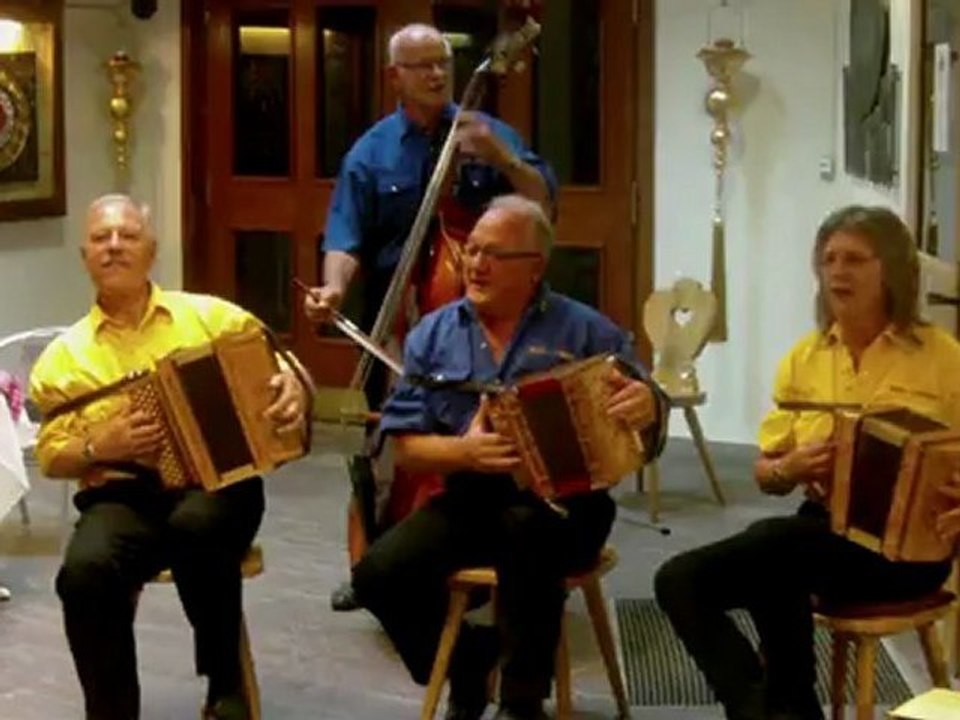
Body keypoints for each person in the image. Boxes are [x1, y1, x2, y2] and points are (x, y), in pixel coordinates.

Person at [351, 195, 668, 720]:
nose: (475, 265)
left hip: (571, 505)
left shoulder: (586, 330)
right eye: (471, 251)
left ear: (535, 267)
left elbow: (651, 415)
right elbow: (404, 448)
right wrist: (466, 452)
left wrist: (647, 404)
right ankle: (467, 666)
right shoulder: (434, 334)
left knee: (529, 536)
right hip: (473, 498)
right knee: (377, 575)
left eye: (493, 254)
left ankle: (523, 703)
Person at [654, 205, 960, 720]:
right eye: (829, 259)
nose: (838, 272)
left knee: (780, 550)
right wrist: (792, 468)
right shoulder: (804, 358)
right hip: (823, 535)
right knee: (678, 580)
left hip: (909, 549)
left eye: (856, 259)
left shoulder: (944, 357)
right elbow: (767, 474)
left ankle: (783, 708)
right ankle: (769, 707)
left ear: (892, 269)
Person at [303, 23, 557, 611]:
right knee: (379, 446)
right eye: (420, 66)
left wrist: (501, 158)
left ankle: (478, 555)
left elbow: (540, 201)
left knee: (473, 441)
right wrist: (333, 289)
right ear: (394, 77)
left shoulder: (488, 133)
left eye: (442, 62)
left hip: (473, 320)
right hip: (397, 315)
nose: (436, 74)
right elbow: (345, 237)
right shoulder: (370, 153)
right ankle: (371, 560)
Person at [29, 194, 309, 720]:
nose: (115, 247)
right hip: (123, 495)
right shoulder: (63, 359)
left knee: (197, 526)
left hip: (219, 484)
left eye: (128, 236)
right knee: (84, 572)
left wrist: (295, 382)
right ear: (84, 255)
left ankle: (223, 682)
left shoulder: (209, 317)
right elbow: (50, 455)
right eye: (102, 238)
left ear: (151, 250)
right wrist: (96, 447)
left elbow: (278, 355)